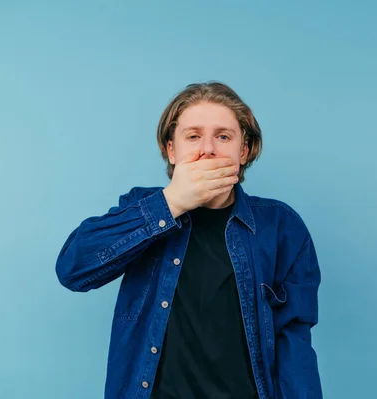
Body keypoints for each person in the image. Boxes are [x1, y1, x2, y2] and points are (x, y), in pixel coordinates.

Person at [55, 82, 322, 398]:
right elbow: (73, 269)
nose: (208, 148)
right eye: (193, 136)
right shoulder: (140, 209)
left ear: (244, 150)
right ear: (171, 149)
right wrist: (170, 204)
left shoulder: (281, 227)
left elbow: (294, 346)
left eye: (223, 136)